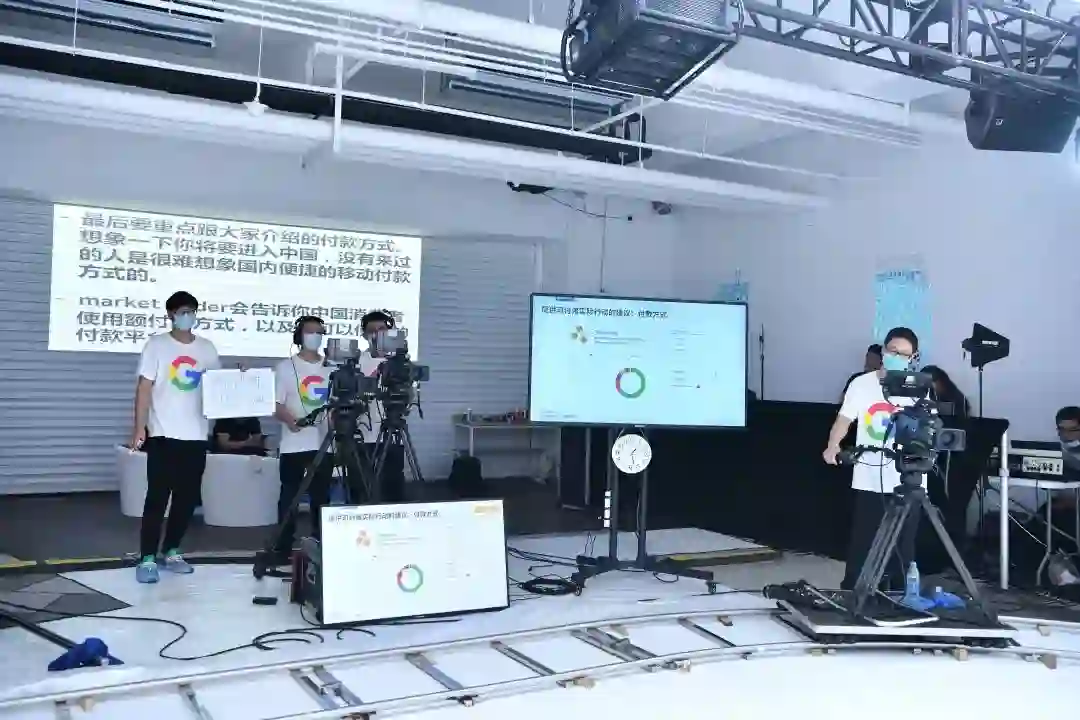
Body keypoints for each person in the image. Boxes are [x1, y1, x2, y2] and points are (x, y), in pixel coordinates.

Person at [129, 290, 220, 584]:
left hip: (196, 435)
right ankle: (147, 558)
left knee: (187, 499)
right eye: (182, 311)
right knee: (157, 498)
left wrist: (242, 378)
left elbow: (218, 386)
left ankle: (172, 550)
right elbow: (144, 388)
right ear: (170, 314)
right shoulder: (157, 345)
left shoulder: (206, 348)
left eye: (192, 311)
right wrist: (139, 427)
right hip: (163, 433)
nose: (188, 316)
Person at [823, 327, 921, 591]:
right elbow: (844, 419)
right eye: (893, 351)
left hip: (908, 476)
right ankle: (854, 592)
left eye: (904, 354)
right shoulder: (862, 384)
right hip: (869, 474)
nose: (897, 356)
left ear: (913, 357)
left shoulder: (918, 385)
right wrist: (833, 445)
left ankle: (900, 594)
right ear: (883, 351)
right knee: (864, 540)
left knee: (904, 544)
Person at [271, 316, 334, 563]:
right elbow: (276, 404)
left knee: (322, 498)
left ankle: (322, 545)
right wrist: (291, 420)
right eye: (310, 332)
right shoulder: (285, 367)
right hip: (293, 444)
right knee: (289, 497)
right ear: (299, 336)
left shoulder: (332, 368)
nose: (314, 337)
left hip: (324, 445)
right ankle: (282, 547)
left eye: (319, 332)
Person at [359, 310, 407, 503]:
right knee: (362, 487)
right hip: (363, 434)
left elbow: (408, 396)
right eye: (372, 330)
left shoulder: (400, 362)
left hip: (393, 432)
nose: (377, 334)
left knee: (393, 486)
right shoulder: (357, 362)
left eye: (382, 330)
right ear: (364, 335)